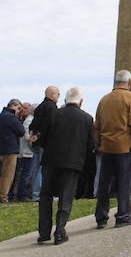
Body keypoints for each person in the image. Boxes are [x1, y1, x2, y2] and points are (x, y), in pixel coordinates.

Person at [37, 87, 96, 245]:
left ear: (65, 100)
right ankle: (60, 231)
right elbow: (92, 144)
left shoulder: (54, 114)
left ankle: (43, 232)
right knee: (66, 196)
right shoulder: (87, 119)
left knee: (46, 195)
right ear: (81, 101)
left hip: (51, 160)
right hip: (72, 162)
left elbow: (41, 138)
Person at [94, 69, 131, 227]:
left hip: (107, 146)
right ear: (129, 83)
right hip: (124, 146)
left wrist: (99, 144)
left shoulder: (104, 100)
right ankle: (123, 215)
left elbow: (97, 125)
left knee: (104, 183)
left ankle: (101, 217)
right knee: (124, 182)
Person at [28, 85, 60, 200]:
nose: (59, 96)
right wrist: (38, 135)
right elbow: (49, 125)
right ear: (52, 95)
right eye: (58, 94)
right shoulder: (52, 107)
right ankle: (38, 194)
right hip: (45, 142)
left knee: (36, 168)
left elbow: (33, 124)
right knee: (43, 169)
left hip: (36, 143)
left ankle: (34, 193)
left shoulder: (40, 107)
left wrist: (33, 134)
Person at [0, 98, 26, 203]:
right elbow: (21, 131)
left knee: (2, 174)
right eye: (19, 108)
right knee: (8, 175)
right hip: (10, 149)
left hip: (2, 148)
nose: (19, 110)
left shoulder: (2, 116)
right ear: (14, 106)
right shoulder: (10, 117)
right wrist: (19, 118)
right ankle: (3, 197)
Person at [13, 102, 35, 201]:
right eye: (22, 108)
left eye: (26, 108)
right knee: (24, 175)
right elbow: (27, 136)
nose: (23, 110)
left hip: (24, 151)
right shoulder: (27, 121)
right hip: (25, 152)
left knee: (24, 175)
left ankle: (21, 194)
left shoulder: (24, 120)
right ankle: (21, 195)